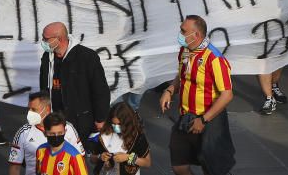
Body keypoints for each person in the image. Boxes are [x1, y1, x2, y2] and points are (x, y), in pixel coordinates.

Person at [160, 15, 235, 175]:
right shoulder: (185, 50)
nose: (180, 34)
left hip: (208, 120)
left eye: (183, 31)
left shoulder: (214, 58)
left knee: (212, 168)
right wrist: (170, 90)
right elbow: (182, 75)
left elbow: (227, 95)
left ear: (197, 35)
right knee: (179, 165)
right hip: (186, 116)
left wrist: (203, 120)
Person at [39, 22, 111, 139]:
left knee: (79, 155)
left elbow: (100, 90)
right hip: (56, 120)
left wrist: (101, 119)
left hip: (81, 122)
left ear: (59, 39)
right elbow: (43, 86)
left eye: (46, 38)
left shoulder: (87, 57)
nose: (43, 41)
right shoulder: (47, 57)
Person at [9, 91, 84, 175]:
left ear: (47, 109)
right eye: (29, 109)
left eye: (34, 109)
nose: (29, 113)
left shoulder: (68, 128)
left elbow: (80, 160)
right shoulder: (23, 132)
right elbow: (15, 167)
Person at [94, 102, 151, 175]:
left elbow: (147, 162)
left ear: (127, 123)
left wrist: (128, 157)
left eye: (119, 124)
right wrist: (100, 157)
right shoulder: (104, 134)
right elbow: (92, 159)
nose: (115, 127)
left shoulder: (137, 137)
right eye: (113, 124)